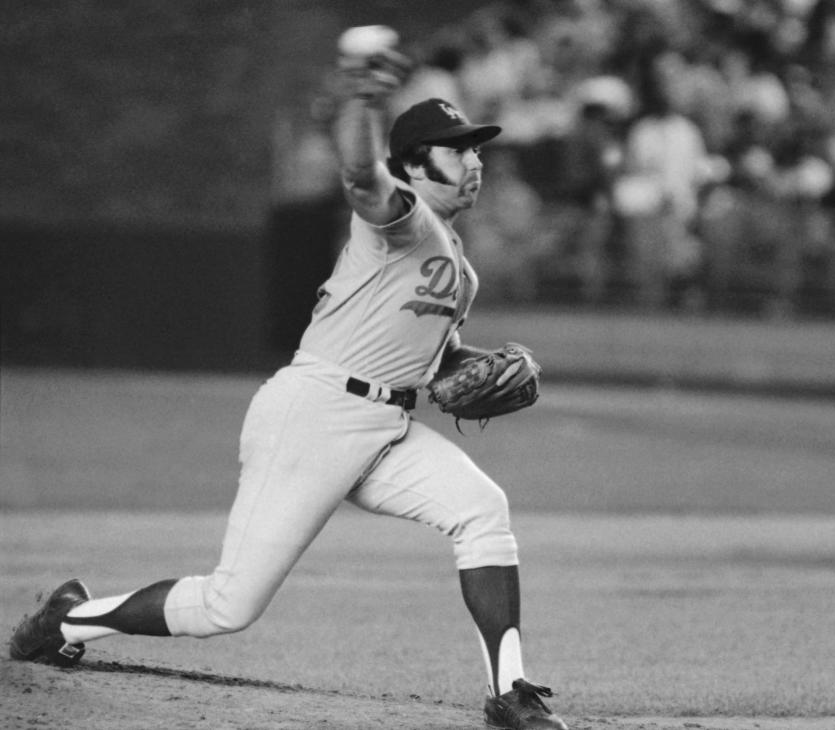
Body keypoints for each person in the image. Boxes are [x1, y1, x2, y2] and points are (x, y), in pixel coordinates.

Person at [9, 44, 568, 730]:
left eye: (476, 148)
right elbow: (362, 174)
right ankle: (72, 617)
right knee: (228, 606)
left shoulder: (460, 266)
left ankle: (511, 691)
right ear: (418, 165)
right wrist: (363, 101)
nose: (475, 159)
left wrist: (487, 367)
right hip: (314, 414)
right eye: (458, 149)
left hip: (385, 428)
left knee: (483, 508)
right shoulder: (400, 219)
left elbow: (438, 359)